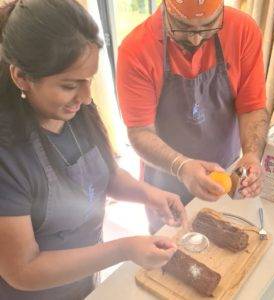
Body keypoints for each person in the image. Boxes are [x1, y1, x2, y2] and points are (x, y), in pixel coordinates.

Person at [0, 1, 187, 299]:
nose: (86, 98)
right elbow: (22, 270)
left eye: (89, 81)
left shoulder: (77, 114)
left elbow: (104, 174)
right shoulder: (8, 157)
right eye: (69, 85)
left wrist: (149, 194)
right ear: (22, 77)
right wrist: (124, 248)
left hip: (84, 285)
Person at [117, 0, 269, 232]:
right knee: (173, 255)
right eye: (183, 27)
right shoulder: (136, 49)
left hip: (225, 174)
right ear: (165, 8)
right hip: (167, 180)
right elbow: (139, 133)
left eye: (209, 26)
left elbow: (252, 106)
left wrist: (251, 154)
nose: (196, 39)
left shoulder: (242, 30)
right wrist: (182, 166)